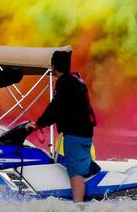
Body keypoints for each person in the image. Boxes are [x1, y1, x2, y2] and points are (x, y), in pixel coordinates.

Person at [26, 50, 97, 203]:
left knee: (75, 171)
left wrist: (38, 124)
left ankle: (78, 206)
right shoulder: (76, 80)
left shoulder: (64, 82)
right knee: (83, 164)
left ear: (53, 66)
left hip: (75, 134)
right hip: (85, 132)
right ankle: (95, 192)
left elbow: (56, 107)